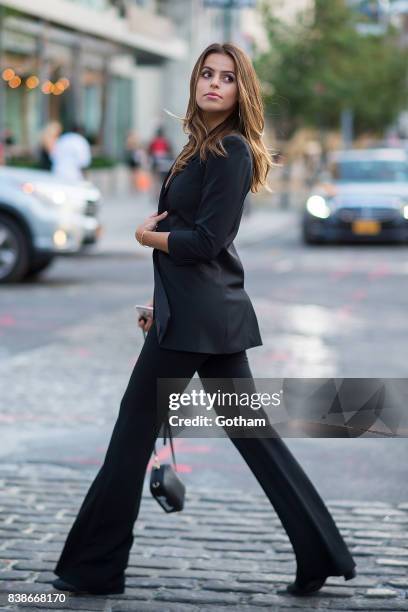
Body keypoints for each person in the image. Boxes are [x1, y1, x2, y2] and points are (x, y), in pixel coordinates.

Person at [52, 42, 357, 597]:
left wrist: (146, 237)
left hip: (199, 323)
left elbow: (207, 241)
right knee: (255, 437)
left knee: (129, 438)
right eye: (206, 74)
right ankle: (321, 554)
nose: (214, 83)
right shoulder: (200, 147)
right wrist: (159, 303)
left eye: (228, 77)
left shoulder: (231, 150)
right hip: (199, 317)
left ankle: (93, 569)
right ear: (194, 81)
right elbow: (194, 248)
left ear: (243, 91)